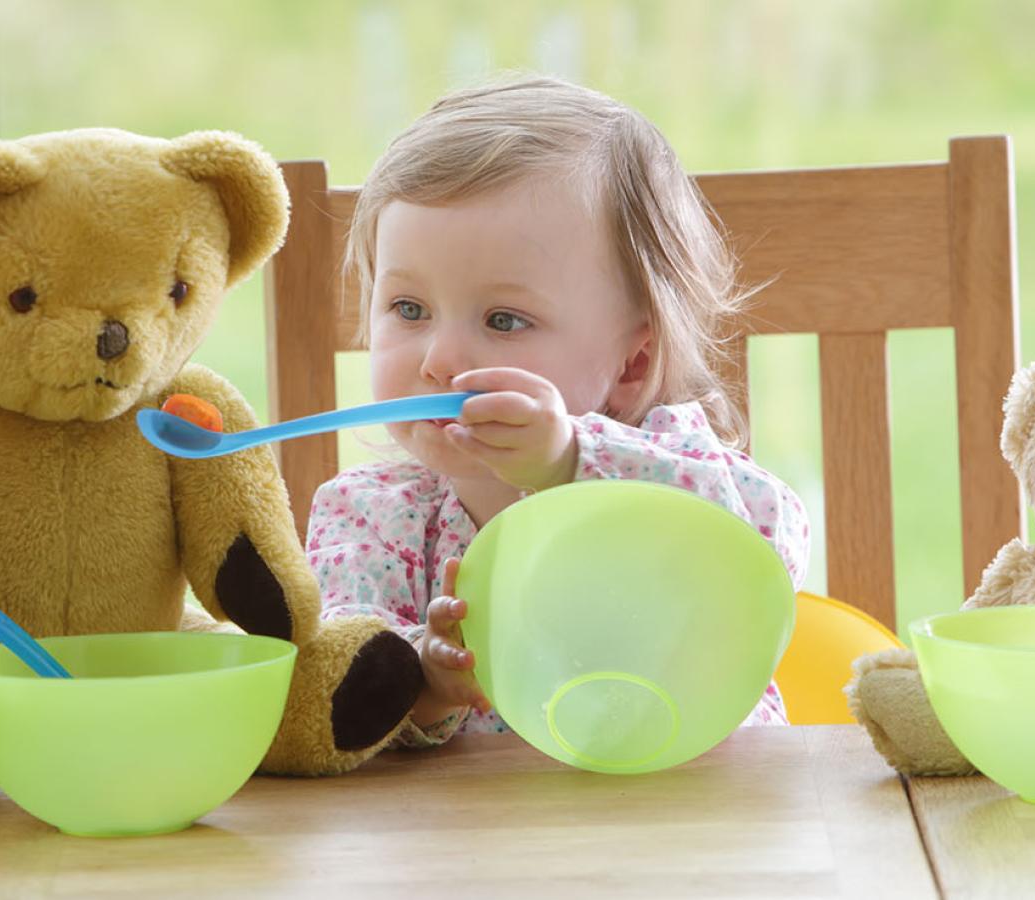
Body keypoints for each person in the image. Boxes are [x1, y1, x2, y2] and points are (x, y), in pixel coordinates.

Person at [307, 75, 809, 746]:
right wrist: (422, 683)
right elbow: (334, 693)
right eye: (408, 309)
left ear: (630, 365)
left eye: (504, 319)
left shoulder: (675, 464)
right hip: (474, 841)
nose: (439, 360)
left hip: (701, 819)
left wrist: (571, 463)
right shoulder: (368, 517)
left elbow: (766, 551)